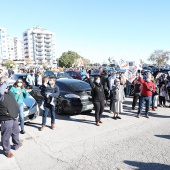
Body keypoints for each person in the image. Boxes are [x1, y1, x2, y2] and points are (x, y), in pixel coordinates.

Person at [0, 77, 22, 158]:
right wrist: (5, 82)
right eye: (3, 82)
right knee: (6, 134)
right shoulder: (1, 92)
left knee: (16, 131)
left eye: (6, 82)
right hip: (5, 117)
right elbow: (1, 91)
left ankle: (16, 144)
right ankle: (7, 150)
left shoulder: (9, 92)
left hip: (14, 116)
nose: (5, 84)